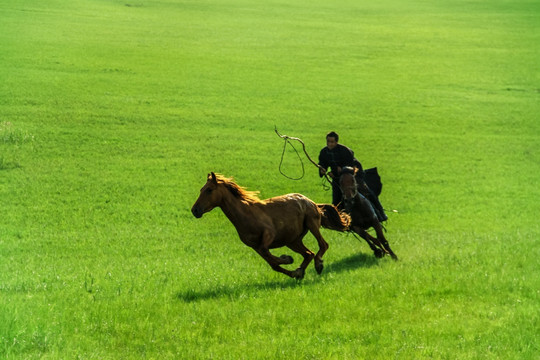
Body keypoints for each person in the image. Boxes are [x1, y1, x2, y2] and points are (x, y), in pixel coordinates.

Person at [318, 131, 387, 221]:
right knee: (336, 199)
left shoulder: (345, 150)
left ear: (336, 142)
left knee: (368, 193)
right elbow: (322, 163)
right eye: (328, 142)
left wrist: (336, 172)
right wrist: (322, 170)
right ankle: (340, 221)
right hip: (338, 178)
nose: (329, 144)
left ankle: (381, 214)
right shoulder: (324, 152)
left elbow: (350, 166)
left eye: (332, 142)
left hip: (354, 175)